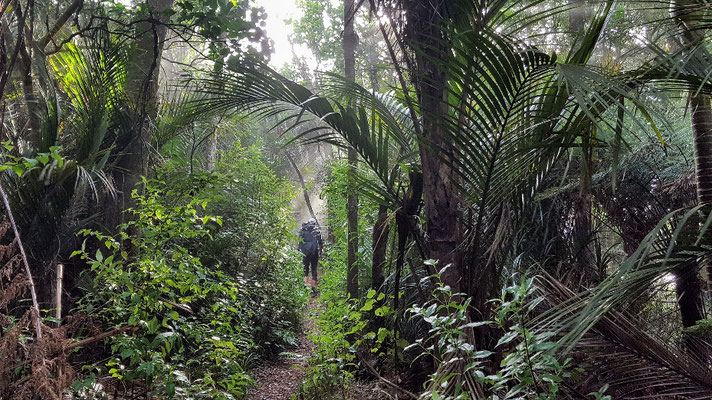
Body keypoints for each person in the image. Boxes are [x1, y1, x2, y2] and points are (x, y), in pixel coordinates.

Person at [297, 218, 322, 295]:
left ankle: (305, 286)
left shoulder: (303, 230)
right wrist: (320, 251)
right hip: (314, 253)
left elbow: (299, 242)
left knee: (305, 268)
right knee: (314, 269)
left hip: (304, 252)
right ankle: (313, 288)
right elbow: (320, 243)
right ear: (314, 223)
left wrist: (298, 250)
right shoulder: (316, 231)